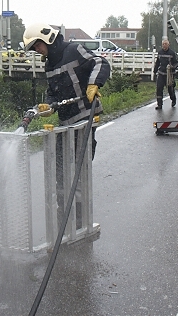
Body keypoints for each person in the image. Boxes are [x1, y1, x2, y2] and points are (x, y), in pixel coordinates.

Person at [23, 22, 110, 229]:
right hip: (66, 121)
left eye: (37, 45)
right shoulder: (49, 65)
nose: (37, 50)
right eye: (34, 48)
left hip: (85, 117)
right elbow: (54, 93)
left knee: (78, 169)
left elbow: (100, 62)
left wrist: (94, 83)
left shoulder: (73, 50)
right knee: (60, 169)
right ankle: (64, 212)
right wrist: (49, 105)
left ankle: (79, 219)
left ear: (47, 39)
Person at [153, 38, 178, 109]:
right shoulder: (160, 52)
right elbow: (158, 62)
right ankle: (159, 104)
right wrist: (155, 71)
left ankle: (173, 99)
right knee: (159, 88)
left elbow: (177, 62)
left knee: (170, 89)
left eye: (165, 44)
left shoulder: (172, 53)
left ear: (168, 45)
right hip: (161, 73)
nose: (164, 46)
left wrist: (172, 67)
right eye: (163, 44)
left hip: (170, 74)